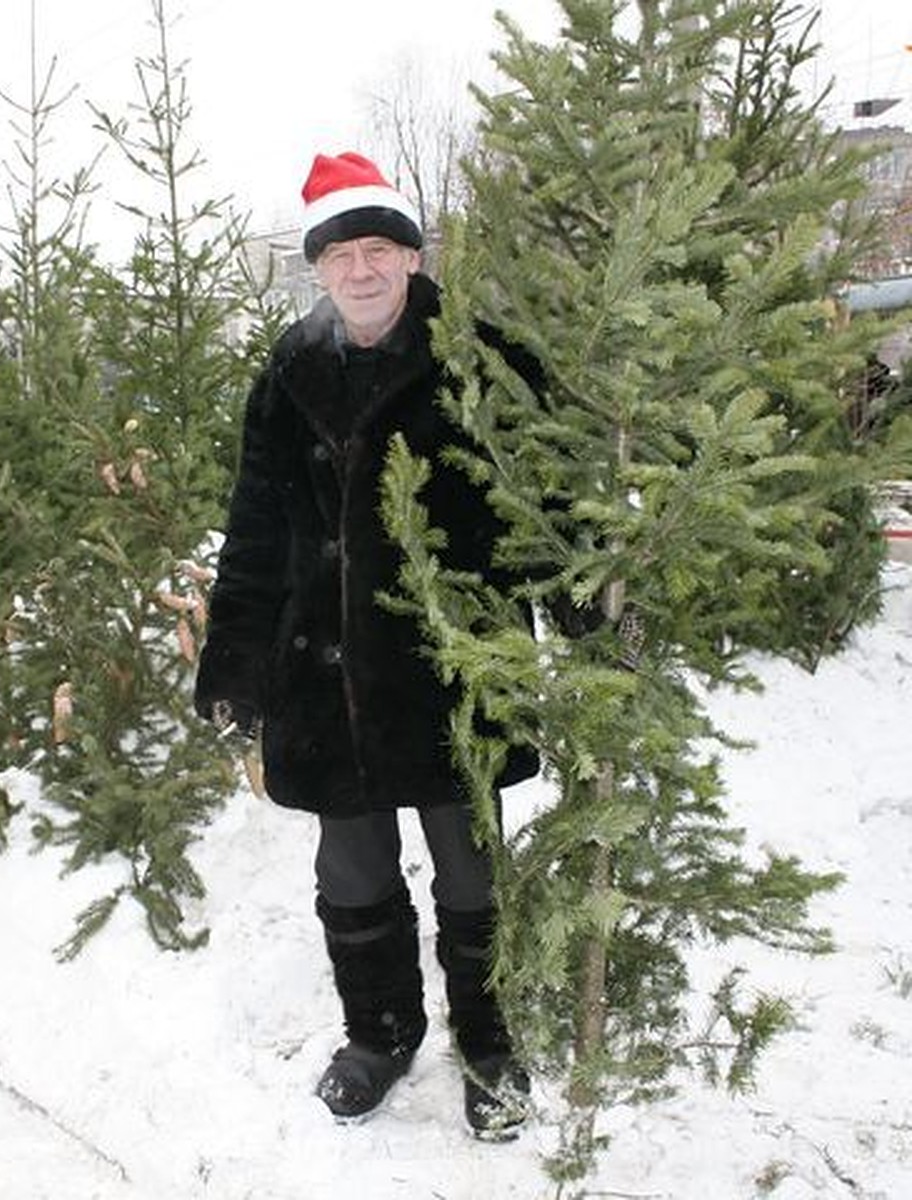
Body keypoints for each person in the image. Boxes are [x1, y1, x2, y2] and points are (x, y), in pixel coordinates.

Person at [194, 151, 541, 1140]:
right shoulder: (288, 375)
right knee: (354, 877)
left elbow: (547, 498)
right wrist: (235, 659)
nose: (361, 270)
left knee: (471, 874)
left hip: (449, 672)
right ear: (317, 268)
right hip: (327, 679)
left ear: (412, 256)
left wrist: (592, 603)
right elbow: (255, 527)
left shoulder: (480, 355)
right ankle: (380, 1036)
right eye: (342, 253)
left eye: (380, 249)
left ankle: (489, 1048)